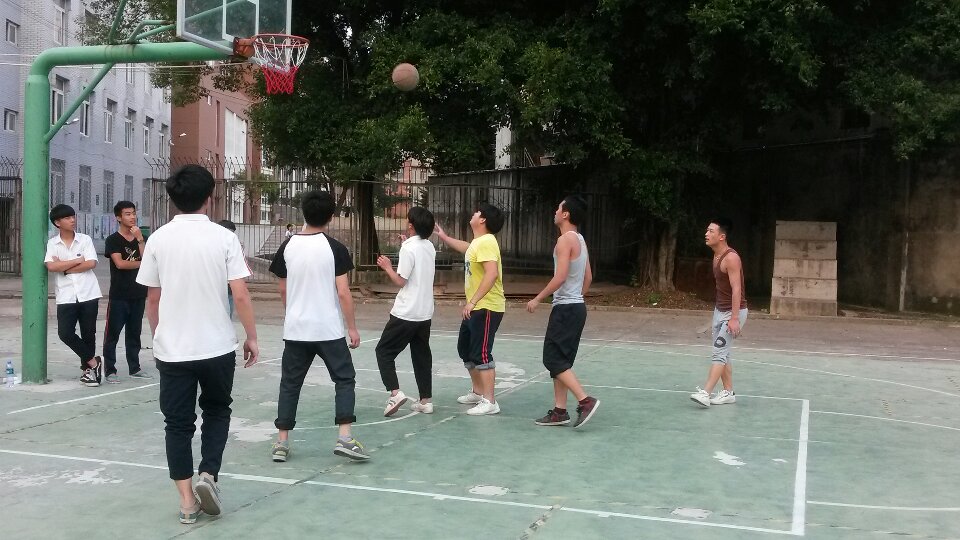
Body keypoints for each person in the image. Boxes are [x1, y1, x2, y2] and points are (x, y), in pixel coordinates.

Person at [136, 165, 259, 524]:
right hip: (217, 346)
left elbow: (153, 299)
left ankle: (187, 501)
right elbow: (240, 294)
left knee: (177, 424)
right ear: (210, 197)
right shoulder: (224, 238)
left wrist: (160, 336)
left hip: (173, 350)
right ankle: (209, 473)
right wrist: (251, 336)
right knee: (217, 411)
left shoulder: (158, 239)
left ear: (172, 198)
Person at [268, 190, 367, 463]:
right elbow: (343, 292)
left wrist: (293, 314)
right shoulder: (335, 248)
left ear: (303, 213)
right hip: (328, 329)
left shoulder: (288, 246)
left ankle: (281, 443)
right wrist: (352, 327)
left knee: (290, 383)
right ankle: (345, 437)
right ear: (331, 217)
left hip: (297, 328)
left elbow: (282, 289)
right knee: (344, 379)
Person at [526, 195, 600, 428]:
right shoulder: (580, 240)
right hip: (576, 308)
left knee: (552, 359)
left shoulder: (564, 241)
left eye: (558, 208)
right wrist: (577, 298)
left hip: (566, 309)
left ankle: (585, 401)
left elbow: (560, 277)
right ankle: (559, 411)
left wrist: (538, 299)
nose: (555, 211)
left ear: (566, 214)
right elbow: (588, 277)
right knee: (562, 361)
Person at [434, 202, 506, 416]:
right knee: (465, 349)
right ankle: (478, 391)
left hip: (486, 306)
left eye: (477, 212)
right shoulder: (479, 243)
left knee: (481, 353)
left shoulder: (487, 242)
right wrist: (444, 237)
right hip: (477, 307)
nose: (473, 214)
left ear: (482, 219)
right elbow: (467, 248)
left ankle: (490, 401)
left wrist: (472, 301)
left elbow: (491, 274)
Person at [375, 207, 437, 416]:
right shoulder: (429, 246)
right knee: (421, 355)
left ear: (411, 225)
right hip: (424, 312)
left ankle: (395, 393)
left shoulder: (408, 248)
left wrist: (387, 267)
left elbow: (401, 281)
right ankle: (425, 400)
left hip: (406, 312)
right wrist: (406, 242)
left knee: (383, 352)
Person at [690, 218, 748, 408]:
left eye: (711, 231)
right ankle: (728, 392)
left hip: (734, 312)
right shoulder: (716, 256)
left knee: (719, 353)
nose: (706, 234)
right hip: (719, 311)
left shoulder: (731, 258)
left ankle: (705, 393)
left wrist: (734, 318)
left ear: (721, 236)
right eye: (707, 230)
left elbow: (737, 289)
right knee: (724, 353)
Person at [44, 204, 103, 387]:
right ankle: (94, 362)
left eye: (73, 216)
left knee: (88, 333)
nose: (72, 220)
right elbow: (51, 266)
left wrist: (65, 267)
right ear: (57, 222)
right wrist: (77, 260)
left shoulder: (84, 239)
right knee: (65, 333)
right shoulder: (53, 243)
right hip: (66, 295)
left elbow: (91, 263)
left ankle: (88, 372)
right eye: (67, 218)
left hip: (88, 293)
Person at [102, 201, 149, 383]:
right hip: (119, 295)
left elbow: (148, 260)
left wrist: (140, 239)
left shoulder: (142, 238)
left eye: (134, 213)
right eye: (128, 214)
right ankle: (110, 370)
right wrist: (142, 264)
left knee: (134, 333)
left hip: (139, 293)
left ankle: (134, 368)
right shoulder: (113, 240)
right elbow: (120, 264)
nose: (132, 217)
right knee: (112, 334)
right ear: (118, 218)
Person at [217, 220, 238, 319]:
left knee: (228, 314)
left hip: (229, 287)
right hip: (215, 286)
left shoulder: (234, 246)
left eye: (232, 233)